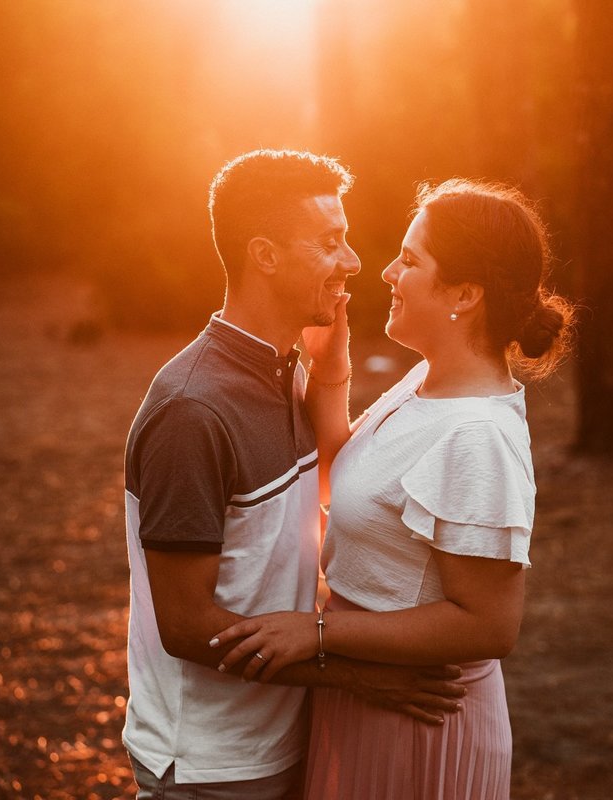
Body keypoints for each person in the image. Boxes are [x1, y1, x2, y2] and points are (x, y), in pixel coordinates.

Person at [211, 178, 574, 799]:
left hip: (418, 720)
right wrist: (330, 368)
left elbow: (489, 625)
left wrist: (318, 634)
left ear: (464, 293)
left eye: (409, 260)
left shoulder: (477, 435)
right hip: (367, 691)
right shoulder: (426, 383)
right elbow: (344, 480)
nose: (384, 272)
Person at [122, 150, 467, 800]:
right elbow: (187, 624)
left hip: (282, 741)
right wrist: (356, 674)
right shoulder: (192, 411)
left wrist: (330, 372)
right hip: (210, 766)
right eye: (330, 242)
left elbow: (335, 494)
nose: (354, 262)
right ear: (266, 255)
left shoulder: (284, 372)